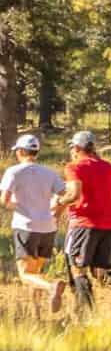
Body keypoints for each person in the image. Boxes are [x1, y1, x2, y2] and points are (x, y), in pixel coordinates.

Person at [60, 131, 111, 313]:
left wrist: (59, 202)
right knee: (104, 274)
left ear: (76, 148)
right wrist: (109, 212)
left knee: (78, 270)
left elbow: (75, 193)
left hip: (82, 225)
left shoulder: (74, 167)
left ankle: (87, 314)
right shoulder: (108, 167)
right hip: (108, 227)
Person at [1, 134, 66, 313]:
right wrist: (56, 209)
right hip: (48, 227)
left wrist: (17, 205)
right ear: (36, 152)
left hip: (25, 227)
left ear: (21, 151)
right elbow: (65, 195)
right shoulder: (50, 172)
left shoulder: (13, 172)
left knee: (25, 274)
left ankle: (51, 286)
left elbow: (3, 200)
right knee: (35, 272)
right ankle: (36, 312)